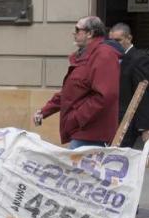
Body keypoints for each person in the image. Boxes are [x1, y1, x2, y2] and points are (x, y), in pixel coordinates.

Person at [34, 16, 121, 149]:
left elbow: (105, 96)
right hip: (82, 131)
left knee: (72, 168)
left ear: (90, 33)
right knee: (73, 168)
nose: (73, 33)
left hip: (92, 133)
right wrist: (44, 111)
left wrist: (76, 118)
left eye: (77, 29)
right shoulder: (84, 55)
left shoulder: (104, 55)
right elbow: (70, 92)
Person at [108, 23, 149, 148]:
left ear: (129, 38)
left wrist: (145, 127)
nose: (114, 44)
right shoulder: (110, 58)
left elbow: (144, 93)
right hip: (111, 119)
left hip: (127, 122)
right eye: (111, 41)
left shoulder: (140, 59)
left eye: (118, 40)